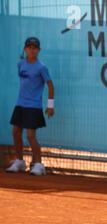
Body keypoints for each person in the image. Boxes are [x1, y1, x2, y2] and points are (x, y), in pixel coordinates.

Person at [6, 37, 55, 176]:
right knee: (15, 132)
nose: (32, 50)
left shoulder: (41, 67)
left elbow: (50, 85)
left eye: (35, 48)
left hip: (34, 106)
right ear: (25, 49)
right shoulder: (20, 64)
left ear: (38, 50)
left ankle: (39, 164)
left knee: (30, 135)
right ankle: (20, 161)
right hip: (20, 104)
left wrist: (50, 105)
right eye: (29, 47)